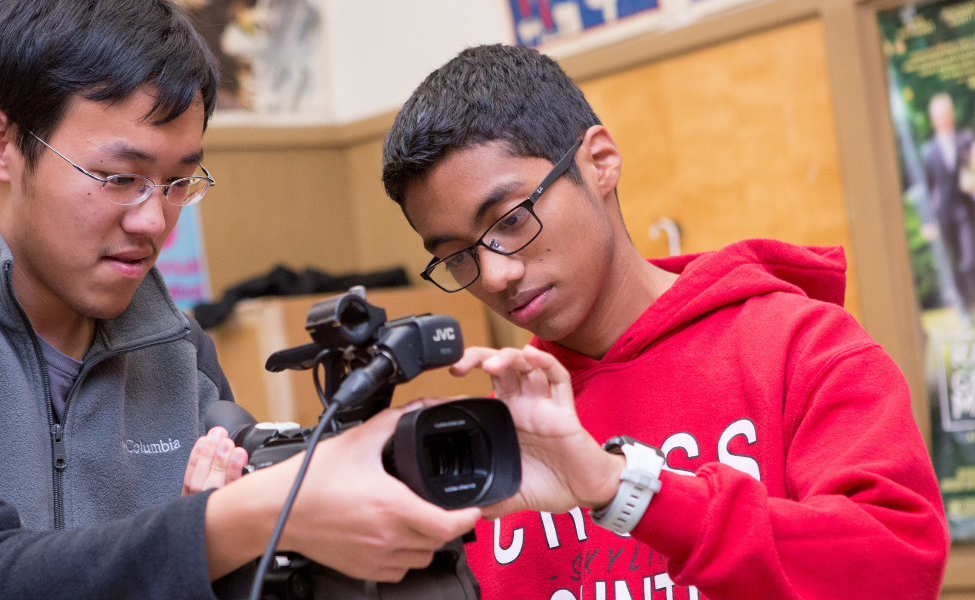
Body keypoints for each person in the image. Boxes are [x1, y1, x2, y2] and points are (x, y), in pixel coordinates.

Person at [0, 1, 479, 598]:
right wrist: (229, 527)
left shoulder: (178, 352)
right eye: (118, 177)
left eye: (180, 179)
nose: (154, 220)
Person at [380, 44, 950, 599]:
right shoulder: (510, 432)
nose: (494, 274)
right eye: (458, 255)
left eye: (510, 219)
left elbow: (895, 570)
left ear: (599, 162)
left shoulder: (802, 348)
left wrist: (626, 490)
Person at [925, 92, 975, 312]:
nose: (945, 119)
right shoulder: (929, 152)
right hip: (944, 215)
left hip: (966, 209)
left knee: (970, 257)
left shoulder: (966, 139)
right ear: (933, 120)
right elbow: (928, 189)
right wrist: (929, 221)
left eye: (947, 114)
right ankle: (966, 306)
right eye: (940, 115)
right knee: (955, 262)